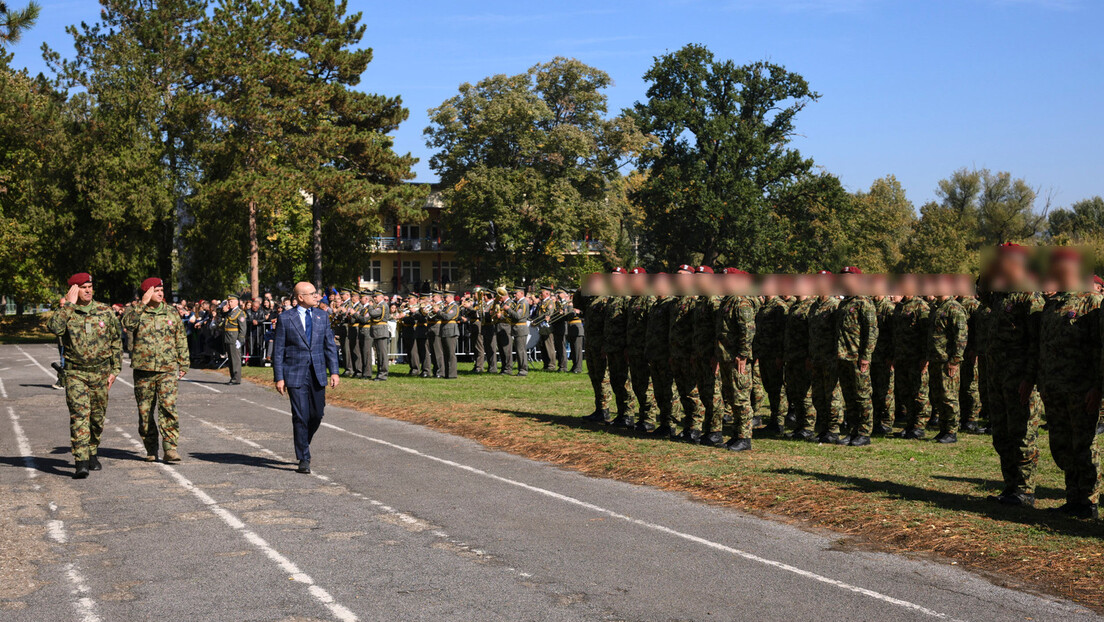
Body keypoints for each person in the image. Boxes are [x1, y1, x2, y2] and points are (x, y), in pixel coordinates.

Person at [1038, 247, 1101, 518]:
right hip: (1054, 387)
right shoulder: (1053, 303)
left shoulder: (1091, 302)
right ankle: (1072, 497)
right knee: (1062, 444)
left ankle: (1088, 500)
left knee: (1083, 444)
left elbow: (1100, 348)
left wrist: (1097, 386)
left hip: (1081, 387)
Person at [983, 243, 1044, 508]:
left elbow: (1036, 341)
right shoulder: (1000, 294)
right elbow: (980, 289)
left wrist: (1029, 377)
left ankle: (1025, 491)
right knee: (1002, 434)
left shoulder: (1029, 294)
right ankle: (1010, 487)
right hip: (997, 376)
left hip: (1020, 377)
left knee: (1022, 434)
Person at [48, 273, 123, 479]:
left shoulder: (105, 311)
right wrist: (68, 305)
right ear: (74, 290)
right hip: (75, 373)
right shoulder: (67, 312)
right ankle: (80, 460)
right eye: (83, 287)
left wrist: (115, 370)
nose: (88, 290)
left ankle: (92, 451)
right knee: (80, 416)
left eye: (90, 286)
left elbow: (116, 340)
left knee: (97, 417)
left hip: (100, 372)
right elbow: (54, 327)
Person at [273, 282, 340, 474]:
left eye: (316, 293)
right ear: (300, 297)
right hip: (295, 373)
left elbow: (329, 346)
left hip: (317, 372)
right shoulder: (286, 318)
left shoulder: (322, 316)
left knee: (317, 414)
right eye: (312, 294)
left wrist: (334, 371)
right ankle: (304, 457)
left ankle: (304, 442)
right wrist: (279, 377)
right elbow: (278, 350)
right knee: (300, 415)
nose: (316, 296)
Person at [121, 277, 190, 462]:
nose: (160, 294)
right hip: (143, 370)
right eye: (155, 290)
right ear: (147, 292)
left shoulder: (171, 312)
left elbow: (180, 338)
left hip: (167, 369)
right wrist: (142, 304)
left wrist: (184, 362)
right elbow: (127, 324)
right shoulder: (137, 312)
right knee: (145, 413)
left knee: (168, 408)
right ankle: (151, 448)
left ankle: (170, 448)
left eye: (161, 290)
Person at [834, 266, 878, 446]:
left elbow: (872, 331)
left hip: (857, 357)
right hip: (843, 356)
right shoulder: (844, 303)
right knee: (849, 396)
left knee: (862, 396)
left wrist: (866, 356)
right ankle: (853, 431)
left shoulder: (863, 302)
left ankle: (864, 432)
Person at [927, 277, 968, 444]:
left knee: (949, 397)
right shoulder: (936, 308)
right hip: (936, 359)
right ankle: (943, 429)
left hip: (947, 361)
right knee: (938, 396)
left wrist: (955, 360)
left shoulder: (954, 308)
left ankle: (951, 430)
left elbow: (961, 337)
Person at [220, 293, 247, 384]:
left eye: (231, 301)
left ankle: (236, 378)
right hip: (228, 337)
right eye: (228, 301)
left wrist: (240, 340)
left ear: (236, 302)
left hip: (234, 338)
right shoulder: (230, 312)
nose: (229, 303)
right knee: (231, 359)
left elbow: (243, 328)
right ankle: (233, 377)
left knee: (235, 359)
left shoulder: (240, 313)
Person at [367, 290, 391, 381]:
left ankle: (383, 374)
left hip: (381, 331)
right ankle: (380, 373)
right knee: (379, 354)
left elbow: (373, 313)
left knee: (382, 354)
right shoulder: (379, 305)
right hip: (377, 332)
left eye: (375, 297)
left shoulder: (382, 305)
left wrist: (369, 306)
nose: (374, 299)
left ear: (381, 297)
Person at [507, 285, 531, 377]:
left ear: (521, 293)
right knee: (519, 350)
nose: (514, 295)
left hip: (520, 329)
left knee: (521, 350)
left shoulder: (523, 303)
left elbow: (518, 316)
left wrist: (508, 309)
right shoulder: (519, 303)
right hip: (518, 329)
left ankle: (523, 370)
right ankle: (521, 369)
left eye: (516, 293)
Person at [438, 290, 460, 379]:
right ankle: (447, 373)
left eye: (445, 297)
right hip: (445, 331)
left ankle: (452, 374)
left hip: (451, 331)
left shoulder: (454, 307)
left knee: (451, 354)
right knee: (446, 354)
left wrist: (438, 312)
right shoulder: (447, 307)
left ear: (451, 297)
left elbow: (447, 316)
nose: (444, 299)